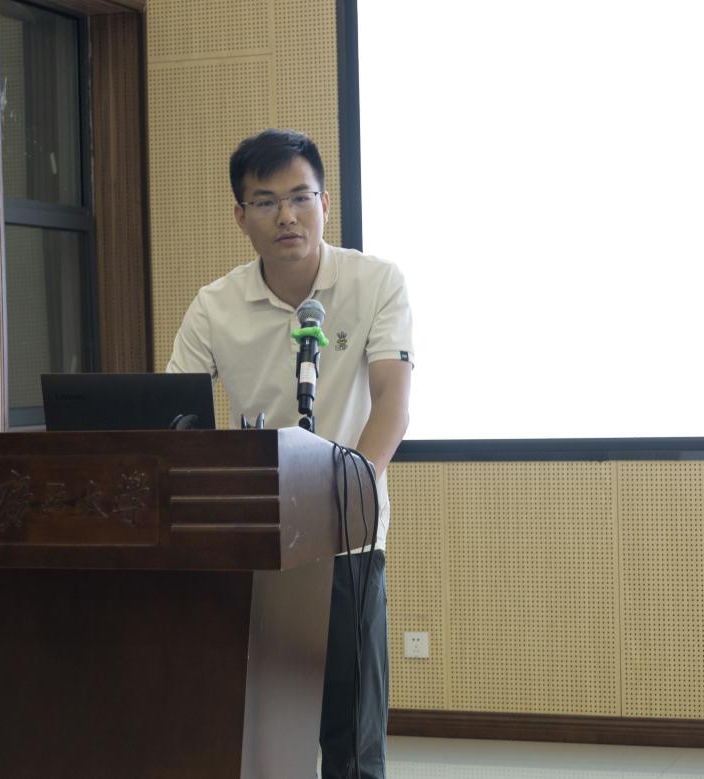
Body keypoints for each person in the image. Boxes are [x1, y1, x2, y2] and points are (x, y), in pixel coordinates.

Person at [165, 128, 413, 778]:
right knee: (253, 731)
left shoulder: (375, 282)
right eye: (266, 202)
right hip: (251, 542)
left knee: (351, 737)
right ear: (240, 216)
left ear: (325, 203)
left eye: (301, 197)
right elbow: (172, 416)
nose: (287, 216)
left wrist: (348, 492)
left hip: (347, 538)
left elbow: (392, 401)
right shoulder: (215, 306)